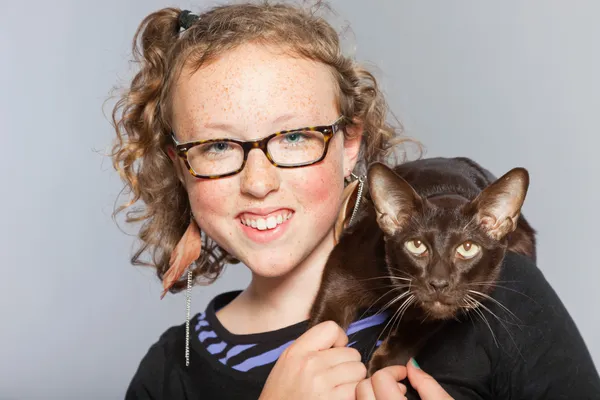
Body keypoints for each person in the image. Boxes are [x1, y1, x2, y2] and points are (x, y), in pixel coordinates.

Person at [110, 2, 600, 399]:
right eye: (217, 146)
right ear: (181, 166)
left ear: (349, 146)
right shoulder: (169, 374)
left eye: (295, 137)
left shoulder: (496, 296)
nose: (258, 182)